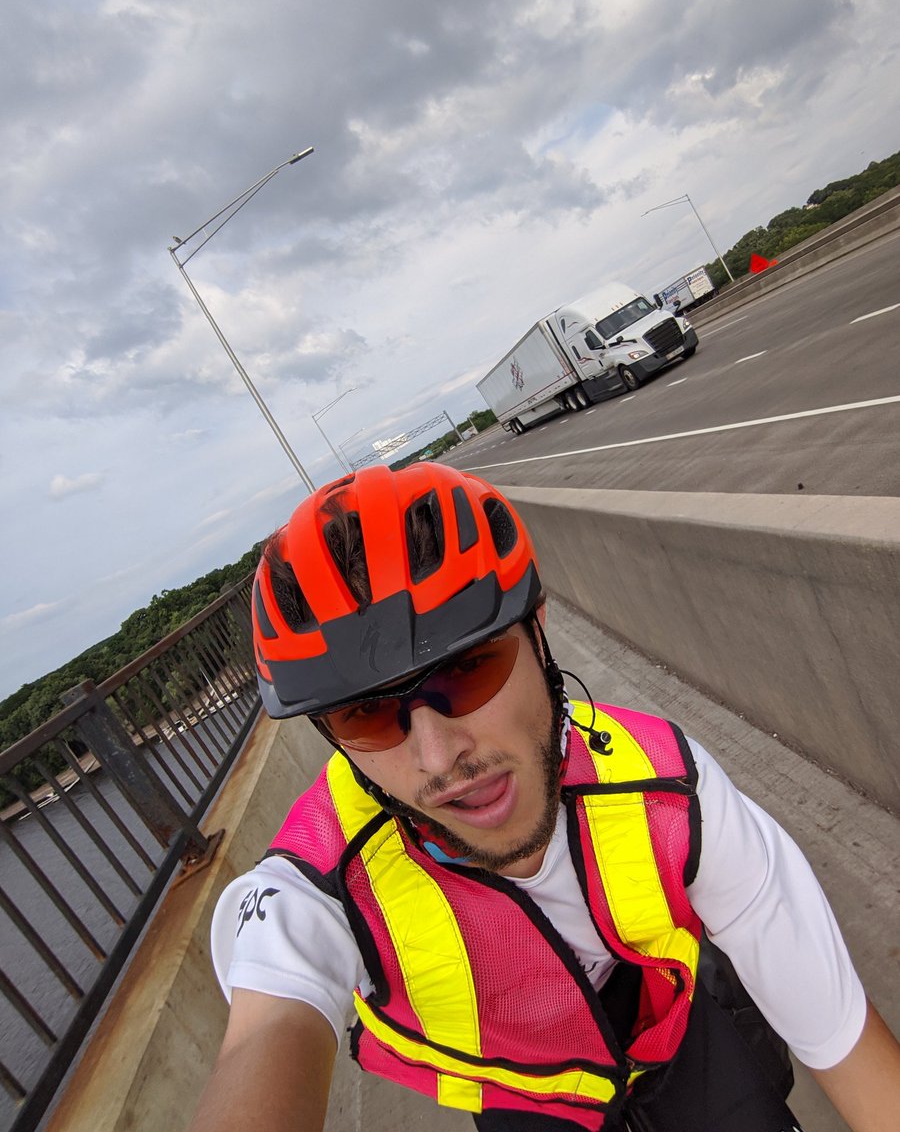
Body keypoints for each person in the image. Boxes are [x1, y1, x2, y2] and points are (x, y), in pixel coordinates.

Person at [190, 463, 900, 1132]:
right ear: (329, 734)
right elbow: (269, 1027)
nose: (441, 757)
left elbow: (848, 1047)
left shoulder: (668, 789)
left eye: (468, 668)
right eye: (366, 716)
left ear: (539, 627)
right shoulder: (325, 881)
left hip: (679, 1042)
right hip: (528, 1098)